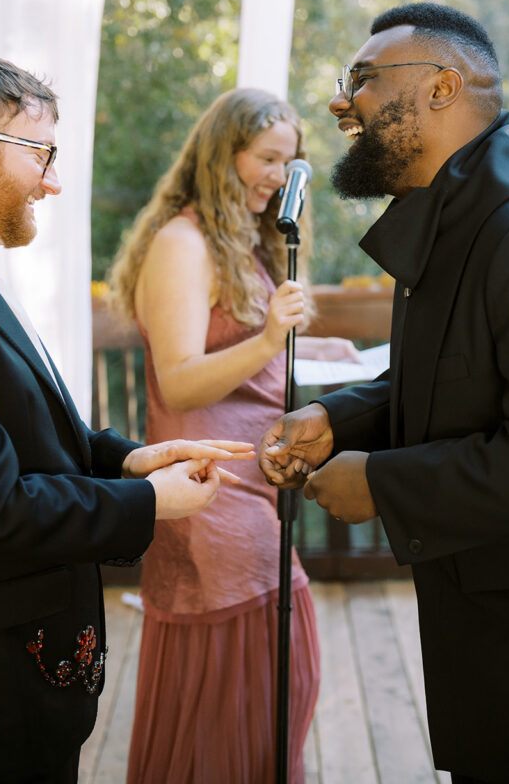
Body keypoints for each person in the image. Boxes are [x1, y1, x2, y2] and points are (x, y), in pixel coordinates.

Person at [260, 3, 509, 784]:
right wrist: (336, 420)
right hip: (483, 601)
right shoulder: (455, 209)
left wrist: (381, 483)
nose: (343, 103)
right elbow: (453, 376)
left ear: (443, 87)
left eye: (363, 81)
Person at [0, 45, 254, 784]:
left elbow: (18, 435)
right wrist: (147, 503)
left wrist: (131, 459)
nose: (55, 180)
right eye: (41, 152)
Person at [109, 87, 358, 784]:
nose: (281, 177)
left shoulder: (239, 244)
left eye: (291, 162)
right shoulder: (183, 243)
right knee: (229, 695)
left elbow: (246, 357)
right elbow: (183, 379)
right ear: (224, 155)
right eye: (268, 158)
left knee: (279, 683)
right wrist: (273, 335)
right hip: (212, 493)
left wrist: (319, 351)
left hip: (256, 482)